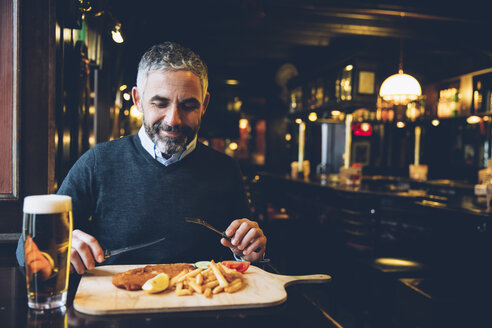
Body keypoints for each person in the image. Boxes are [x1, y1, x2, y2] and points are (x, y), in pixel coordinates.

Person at [17, 41, 267, 274]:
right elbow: (27, 249)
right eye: (160, 103)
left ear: (205, 104)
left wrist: (249, 252)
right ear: (138, 100)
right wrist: (57, 249)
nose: (173, 120)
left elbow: (245, 257)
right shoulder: (97, 163)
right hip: (114, 309)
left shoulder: (226, 169)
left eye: (189, 106)